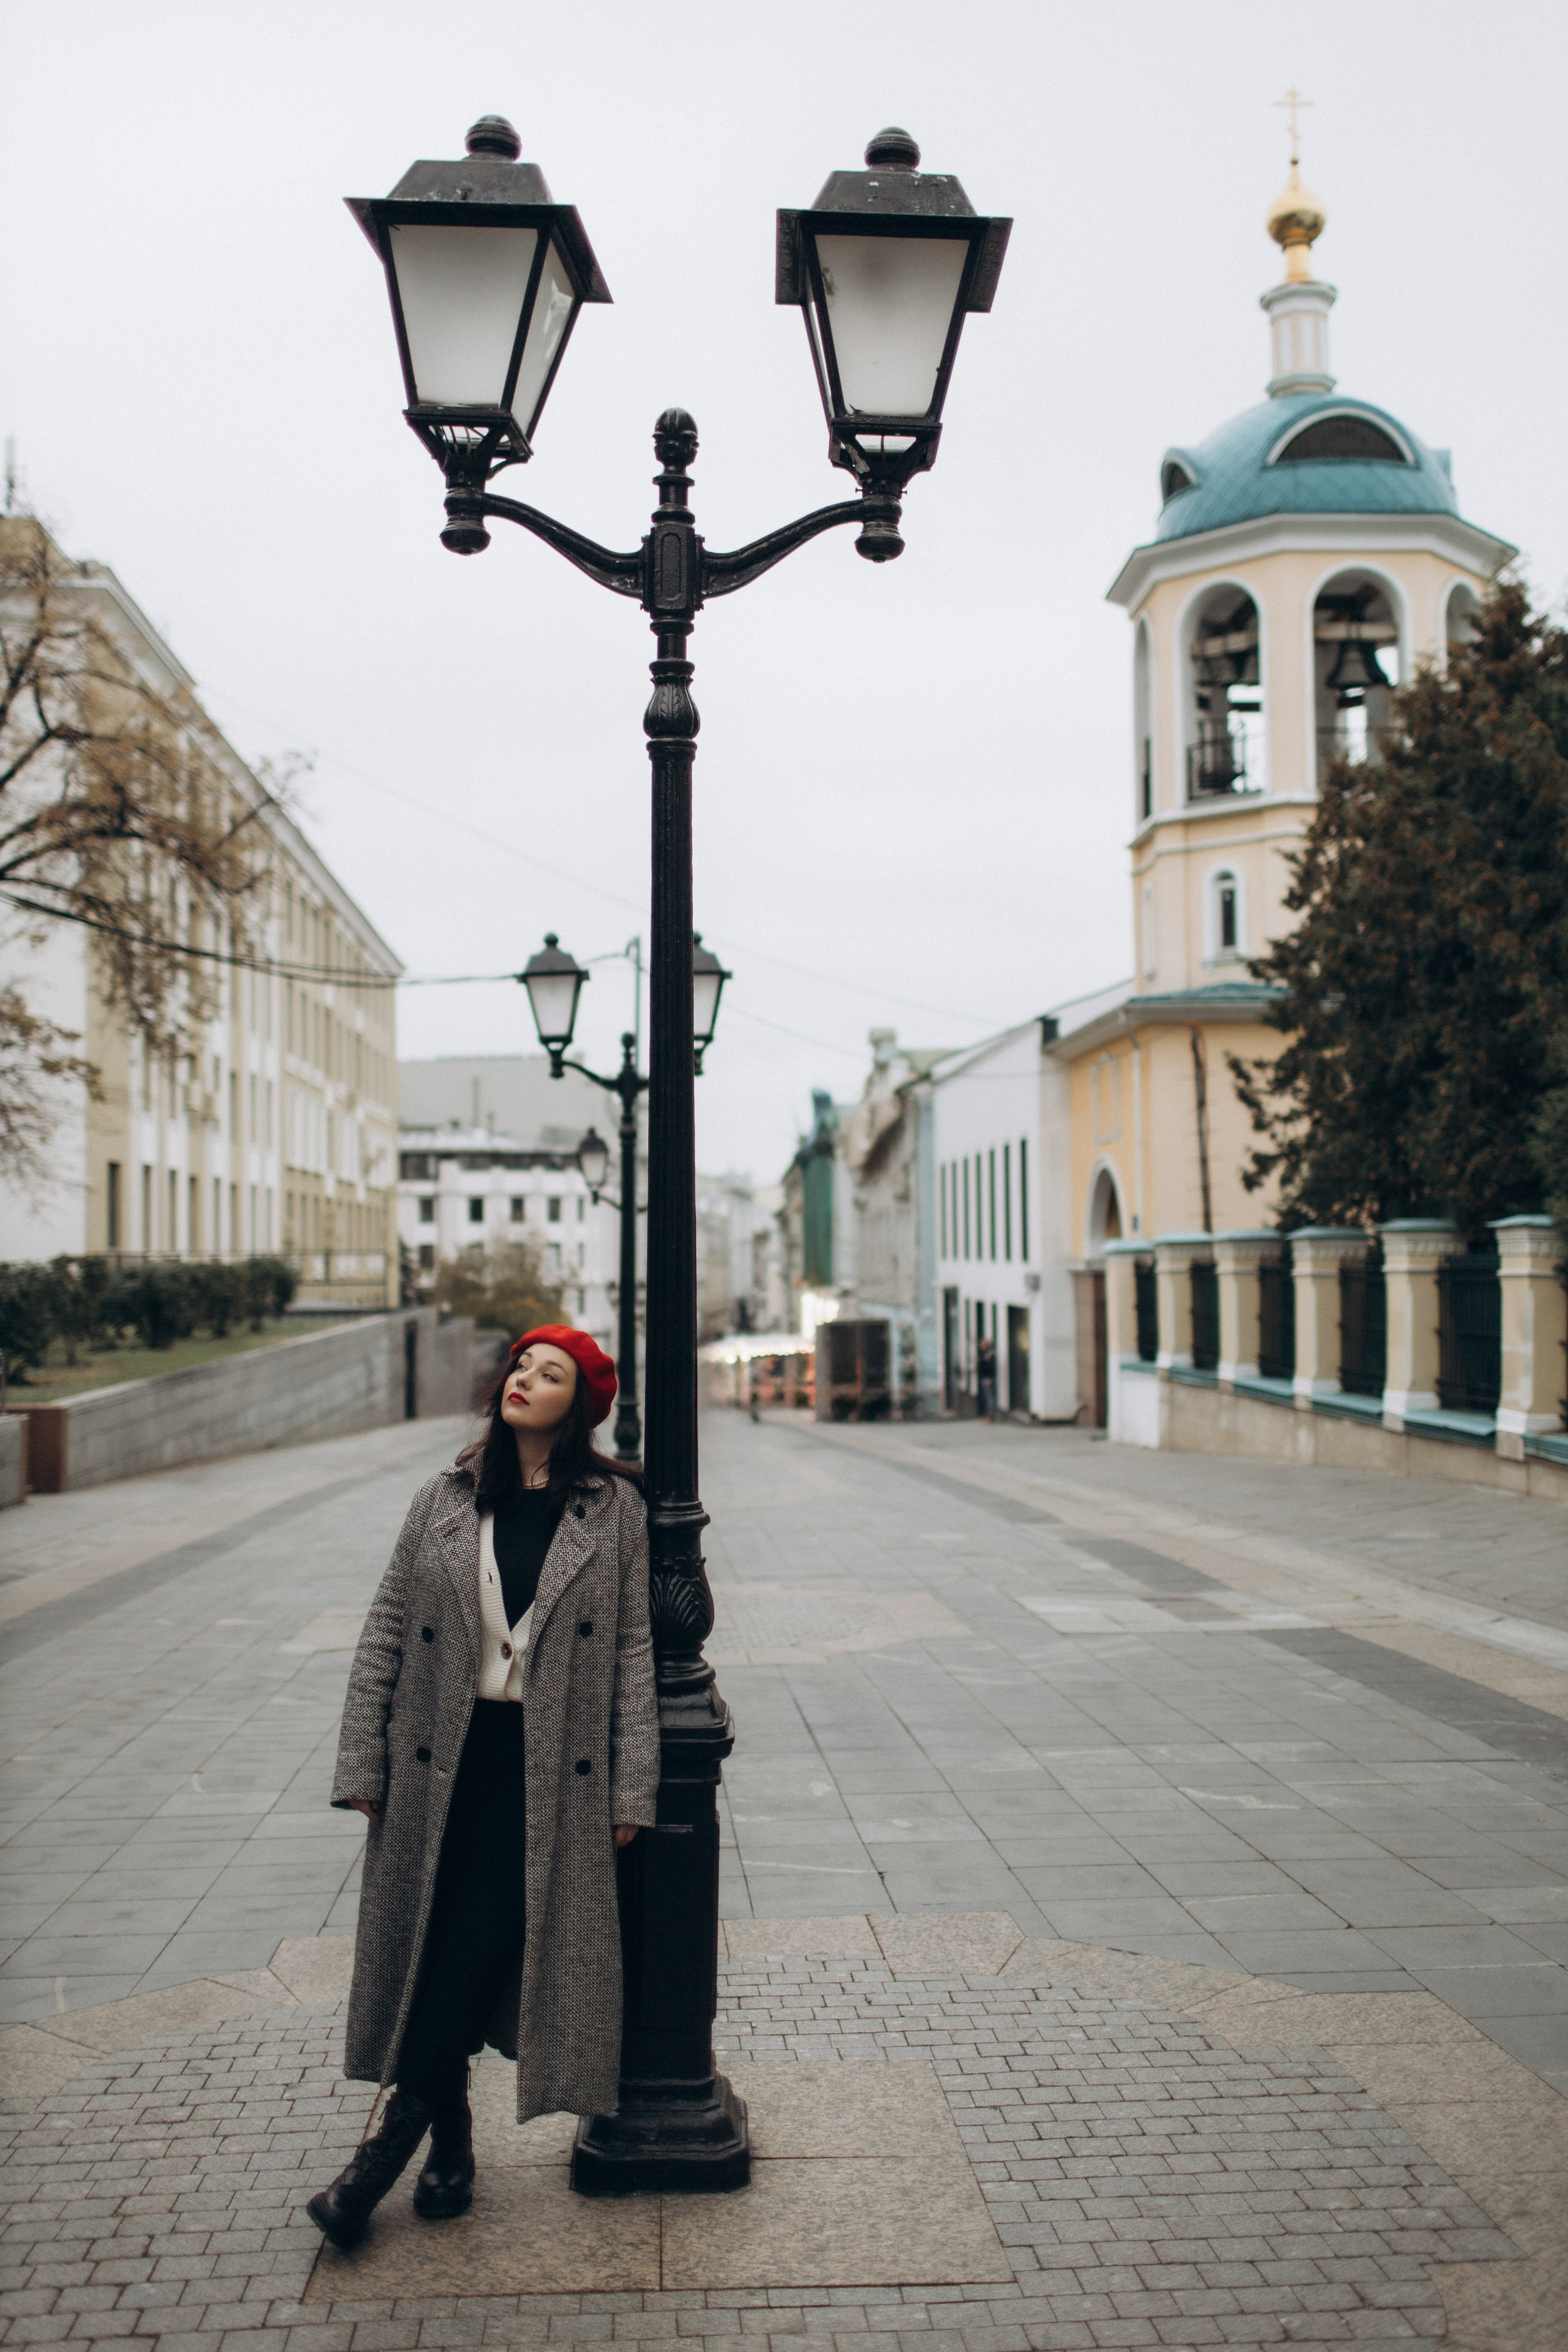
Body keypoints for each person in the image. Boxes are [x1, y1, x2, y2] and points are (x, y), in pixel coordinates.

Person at [305, 1325, 659, 2250]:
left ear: (580, 1406)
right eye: (521, 1365)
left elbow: (632, 1648)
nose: (524, 1380)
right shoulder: (445, 1496)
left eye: (551, 1374)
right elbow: (386, 1628)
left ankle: (376, 2165)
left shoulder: (613, 1511)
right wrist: (362, 1760)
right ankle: (451, 2145)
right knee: (433, 1956)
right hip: (439, 1761)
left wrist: (633, 1784)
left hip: (544, 1770)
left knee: (467, 1954)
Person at [976, 1330, 997, 1421]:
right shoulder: (983, 1354)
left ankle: (991, 1416)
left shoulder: (989, 1354)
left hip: (987, 1378)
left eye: (983, 1345)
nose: (981, 1346)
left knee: (990, 1397)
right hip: (983, 1378)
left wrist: (990, 1378)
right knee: (987, 1397)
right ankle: (988, 1414)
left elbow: (991, 1366)